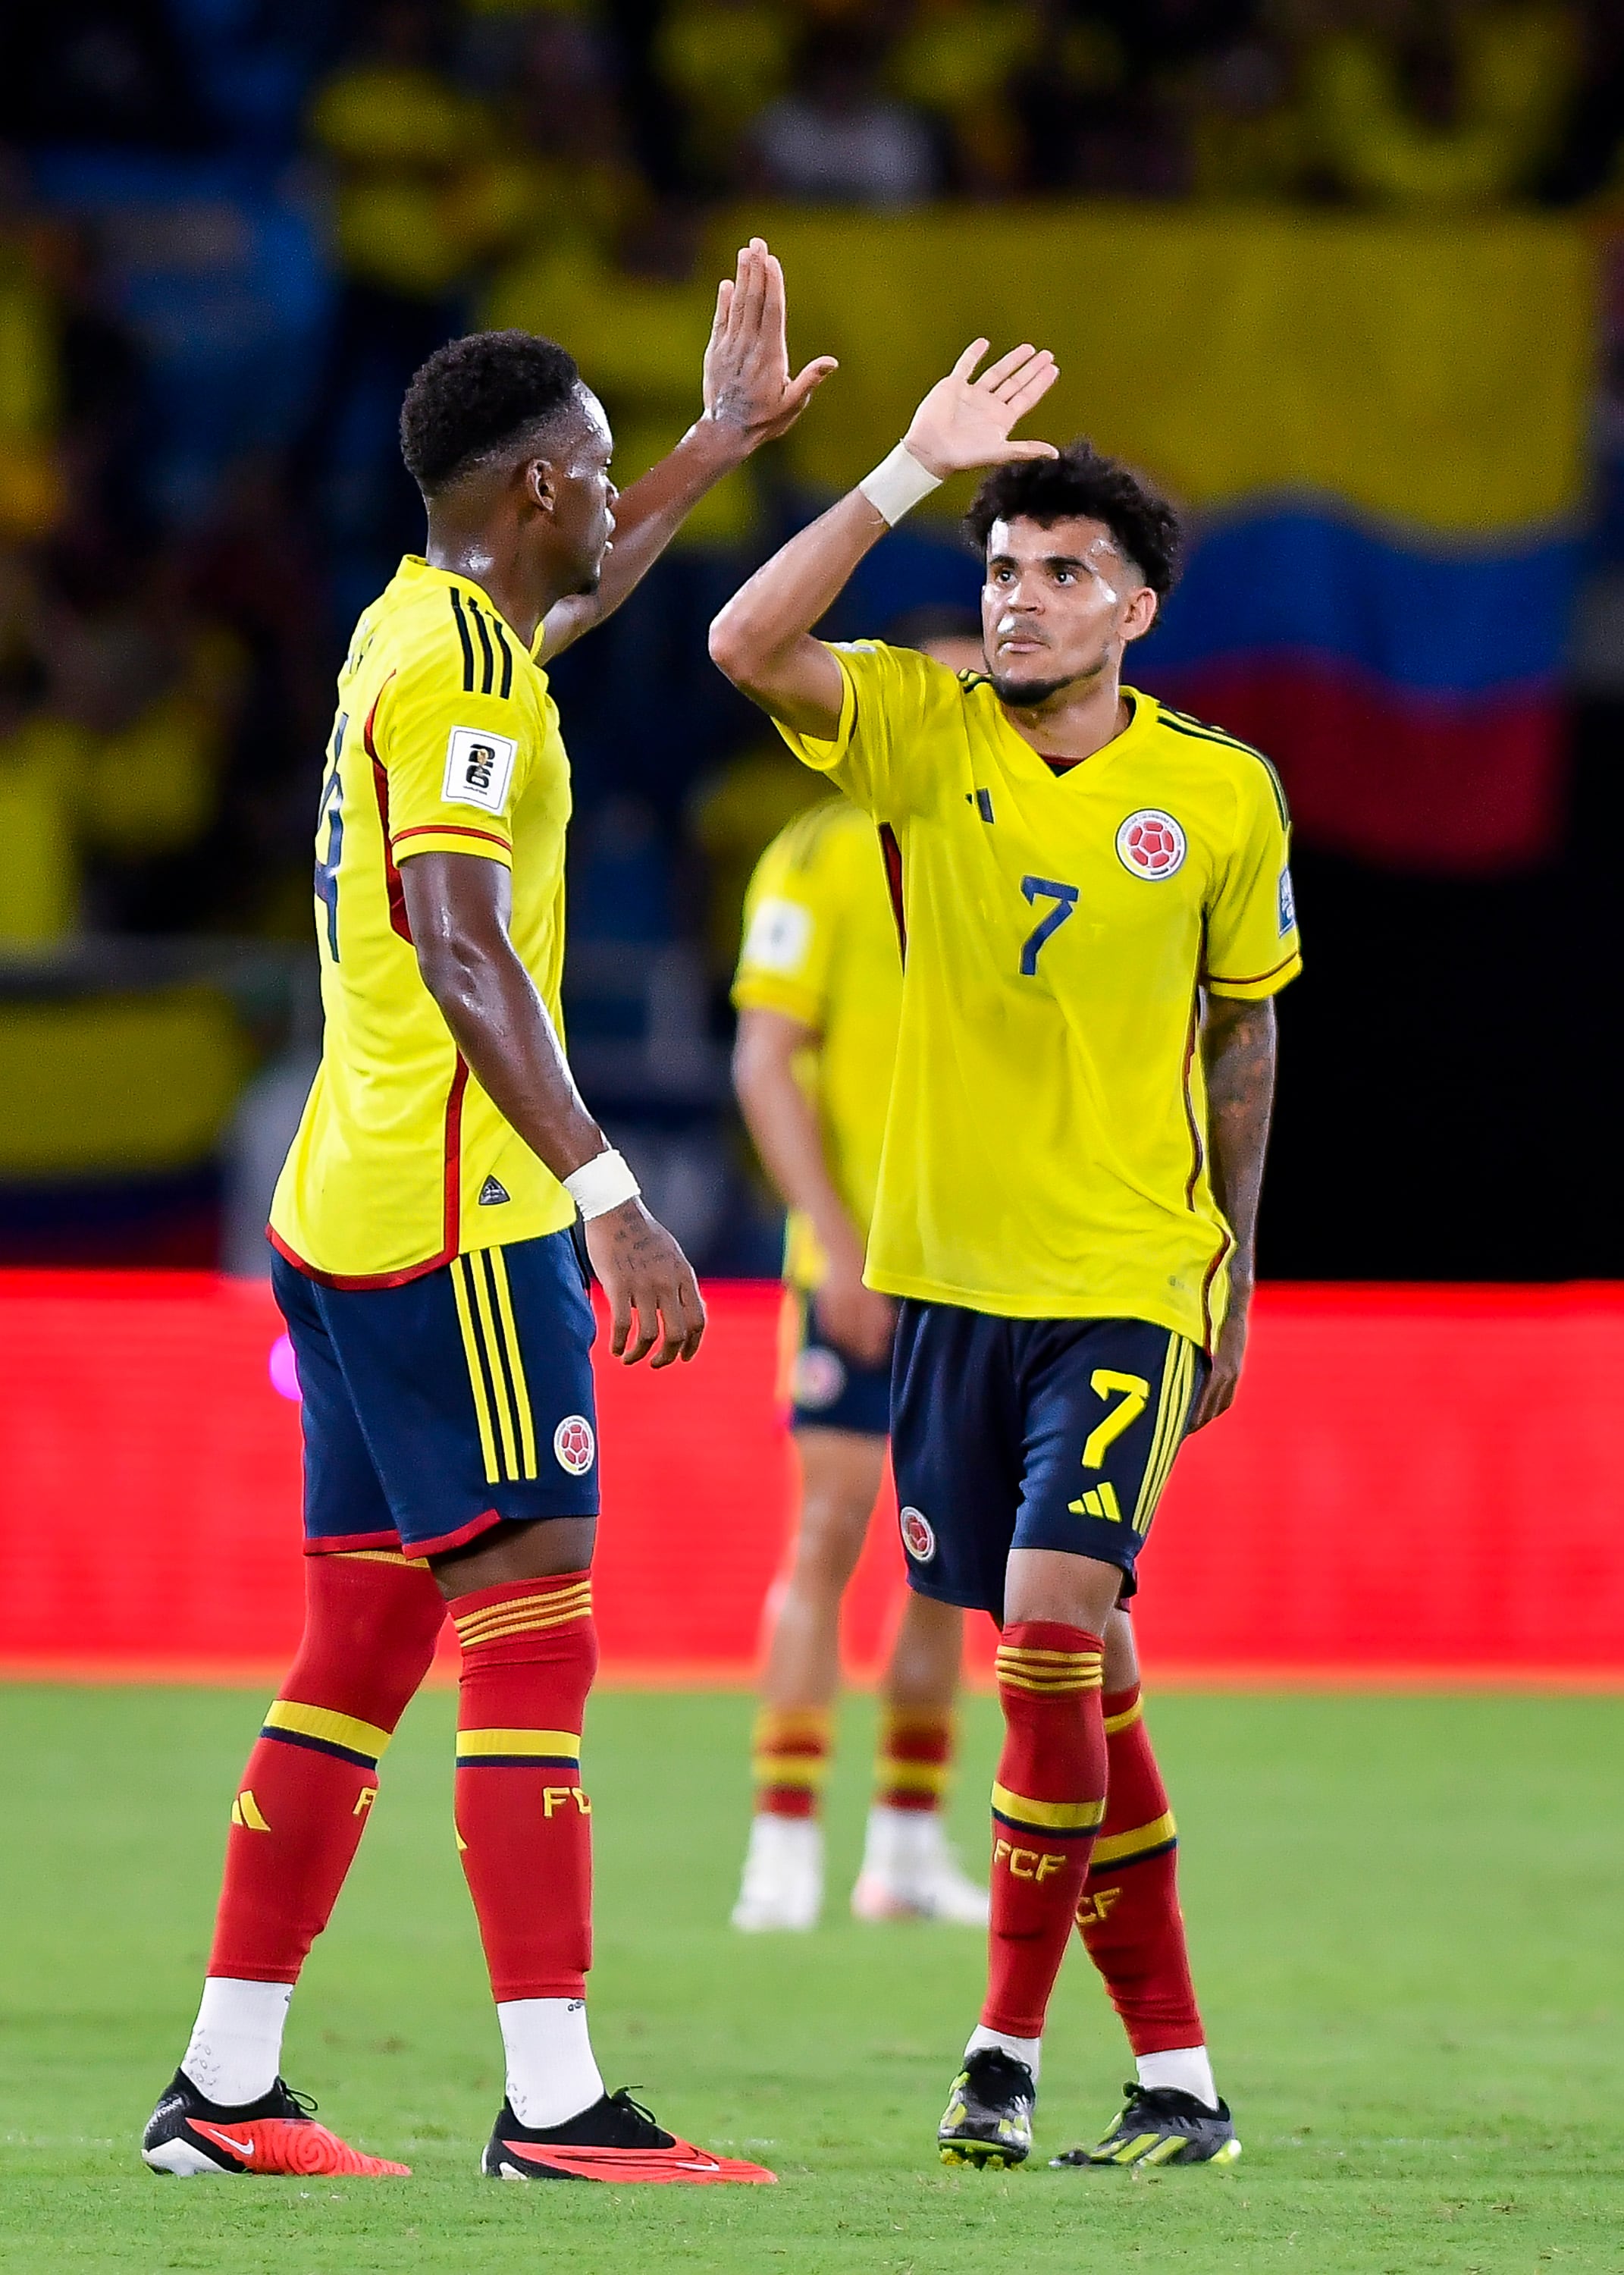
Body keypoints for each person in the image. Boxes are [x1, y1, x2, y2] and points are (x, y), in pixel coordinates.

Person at [142, 240, 835, 2186]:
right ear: (532, 482)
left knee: (361, 1649)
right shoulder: (457, 672)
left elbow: (579, 597)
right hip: (459, 1217)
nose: (615, 498)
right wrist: (614, 1195)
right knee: (532, 1624)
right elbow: (462, 949)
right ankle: (555, 2111)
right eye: (601, 463)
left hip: (346, 1202)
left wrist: (707, 444)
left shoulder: (421, 633)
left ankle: (227, 2087)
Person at [708, 340, 1301, 2169]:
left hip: (1124, 1276)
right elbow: (743, 644)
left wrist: (1239, 1266)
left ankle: (1003, 2048)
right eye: (999, 568)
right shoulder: (917, 728)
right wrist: (896, 471)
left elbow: (1246, 1036)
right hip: (945, 1287)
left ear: (1135, 606)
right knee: (1085, 1673)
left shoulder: (1221, 795)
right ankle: (1183, 2076)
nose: (1018, 598)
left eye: (1056, 572)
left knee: (1046, 1640)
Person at [729, 617, 989, 1934]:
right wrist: (831, 1237)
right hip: (856, 1258)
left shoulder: (1001, 863)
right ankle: (781, 1842)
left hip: (984, 1265)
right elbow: (766, 1063)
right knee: (828, 1530)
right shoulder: (818, 856)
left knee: (948, 1561)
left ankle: (902, 1843)